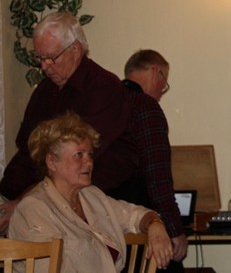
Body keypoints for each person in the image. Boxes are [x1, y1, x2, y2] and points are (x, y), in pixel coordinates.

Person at [0, 11, 133, 232]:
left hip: (92, 207)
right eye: (40, 58)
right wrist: (6, 196)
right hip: (43, 199)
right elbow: (27, 151)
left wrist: (24, 204)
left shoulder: (104, 87)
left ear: (76, 50)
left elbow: (74, 164)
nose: (44, 66)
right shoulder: (43, 92)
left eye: (51, 57)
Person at [8, 112, 173, 272]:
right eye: (79, 155)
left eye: (90, 154)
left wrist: (155, 224)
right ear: (51, 161)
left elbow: (134, 215)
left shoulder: (91, 196)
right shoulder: (33, 209)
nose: (89, 162)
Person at [122, 49, 188, 271]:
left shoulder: (107, 105)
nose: (161, 93)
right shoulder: (146, 108)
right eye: (164, 83)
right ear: (154, 72)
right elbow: (157, 176)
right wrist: (175, 230)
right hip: (143, 226)